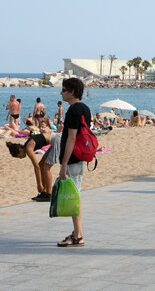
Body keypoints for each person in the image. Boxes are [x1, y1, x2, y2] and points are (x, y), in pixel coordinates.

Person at [56, 78, 91, 247]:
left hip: (73, 159)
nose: (61, 92)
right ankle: (77, 233)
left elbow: (71, 137)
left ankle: (78, 236)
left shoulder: (73, 110)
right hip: (80, 157)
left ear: (71, 92)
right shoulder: (85, 108)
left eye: (63, 90)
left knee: (74, 197)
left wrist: (64, 164)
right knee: (75, 195)